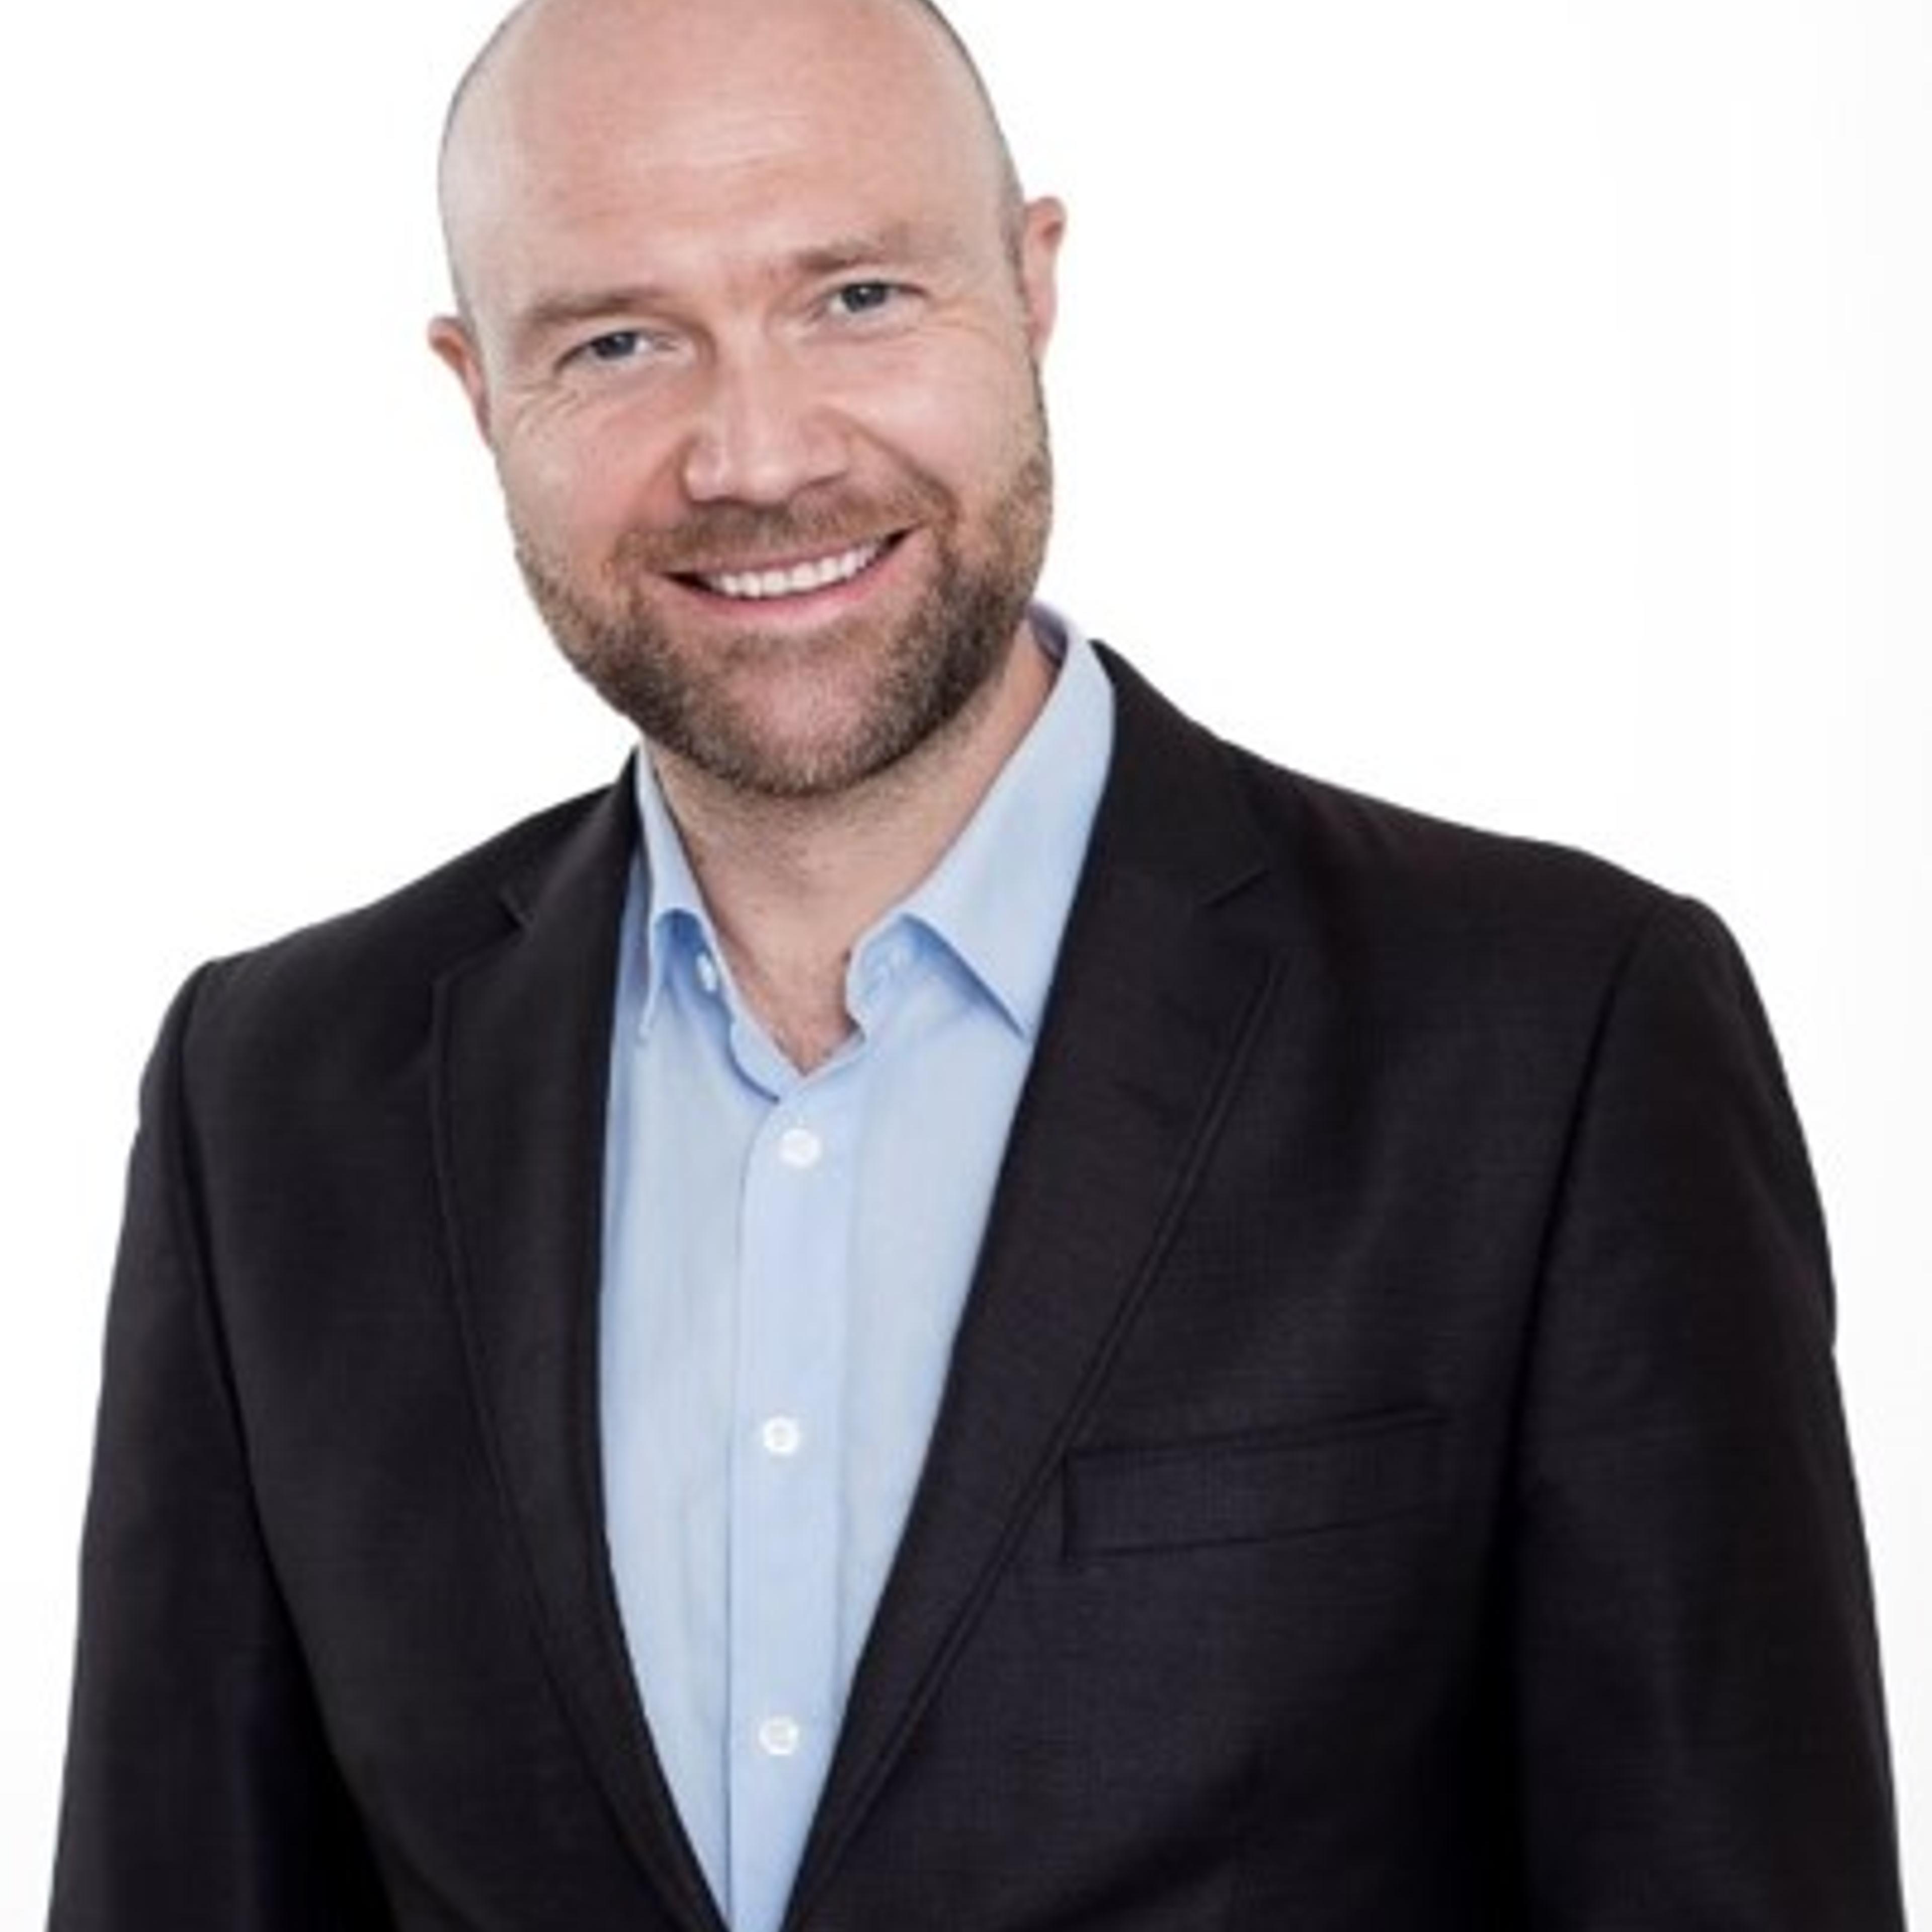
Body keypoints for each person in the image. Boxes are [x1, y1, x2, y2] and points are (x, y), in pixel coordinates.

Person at [48, 0, 1906, 1925]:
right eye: (616, 342)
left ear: (1031, 286)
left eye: (856, 297)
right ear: (478, 392)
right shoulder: (270, 1101)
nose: (756, 456)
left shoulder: (1552, 1041)